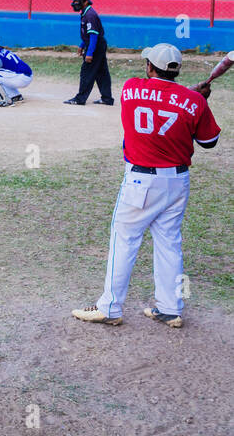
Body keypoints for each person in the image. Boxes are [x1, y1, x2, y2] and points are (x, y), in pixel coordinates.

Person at [73, 43, 220, 328]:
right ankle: (170, 308)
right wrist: (198, 99)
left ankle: (110, 308)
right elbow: (208, 142)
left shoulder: (130, 88)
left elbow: (158, 98)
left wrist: (191, 96)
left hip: (141, 181)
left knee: (124, 239)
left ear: (150, 67)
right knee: (169, 243)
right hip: (177, 182)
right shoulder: (194, 102)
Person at [65, 0, 112, 106]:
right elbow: (88, 34)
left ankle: (80, 99)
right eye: (74, 1)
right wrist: (82, 45)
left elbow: (94, 36)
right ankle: (107, 98)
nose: (75, 3)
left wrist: (89, 53)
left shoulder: (90, 15)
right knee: (101, 72)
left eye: (78, 1)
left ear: (85, 2)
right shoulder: (86, 13)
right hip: (95, 44)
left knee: (87, 72)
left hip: (95, 46)